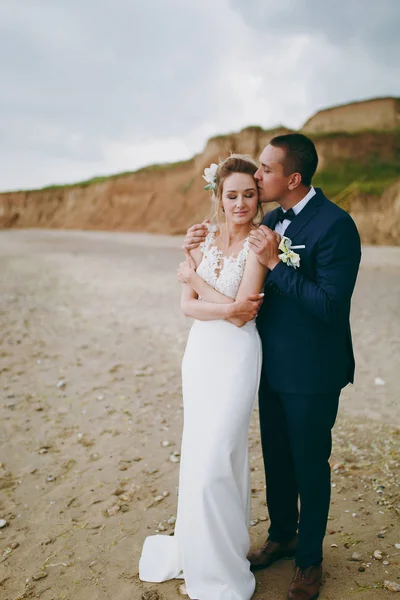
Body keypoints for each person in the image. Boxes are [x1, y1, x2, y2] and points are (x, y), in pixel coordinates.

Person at [182, 133, 361, 600]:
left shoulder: (336, 225)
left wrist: (276, 266)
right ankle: (282, 536)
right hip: (264, 363)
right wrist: (197, 244)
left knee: (309, 464)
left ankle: (309, 562)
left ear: (293, 177)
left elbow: (330, 307)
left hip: (313, 371)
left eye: (264, 170)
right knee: (277, 460)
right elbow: (231, 242)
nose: (257, 177)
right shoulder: (275, 217)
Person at [139, 154, 268, 600]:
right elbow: (187, 307)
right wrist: (221, 302)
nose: (240, 204)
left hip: (237, 356)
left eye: (248, 195)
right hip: (200, 356)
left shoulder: (261, 243)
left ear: (257, 196)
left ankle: (224, 562)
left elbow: (241, 312)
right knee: (199, 455)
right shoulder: (202, 238)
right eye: (231, 195)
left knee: (221, 454)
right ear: (218, 196)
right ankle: (201, 552)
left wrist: (199, 280)